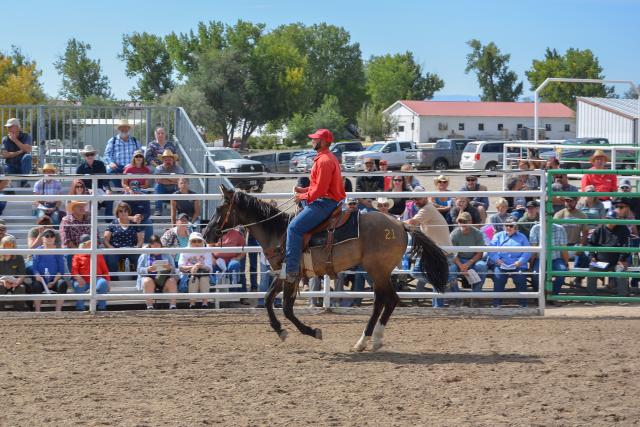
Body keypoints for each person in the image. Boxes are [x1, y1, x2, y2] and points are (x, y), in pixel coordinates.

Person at [284, 129, 346, 285]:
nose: (312, 141)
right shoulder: (326, 158)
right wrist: (304, 190)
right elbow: (317, 186)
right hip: (328, 201)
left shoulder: (324, 161)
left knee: (293, 228)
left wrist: (302, 196)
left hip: (325, 203)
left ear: (323, 142)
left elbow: (319, 191)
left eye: (315, 139)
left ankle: (291, 271)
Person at [404, 186, 455, 307]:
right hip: (436, 251)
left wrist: (395, 222)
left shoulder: (426, 209)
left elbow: (412, 223)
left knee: (418, 273)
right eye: (415, 199)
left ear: (425, 198)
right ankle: (443, 287)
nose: (416, 201)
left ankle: (439, 304)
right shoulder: (428, 208)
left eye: (418, 199)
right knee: (419, 273)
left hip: (440, 252)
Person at [587, 199, 631, 297]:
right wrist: (592, 257)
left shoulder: (623, 228)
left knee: (621, 271)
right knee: (592, 268)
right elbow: (590, 243)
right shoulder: (600, 229)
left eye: (613, 220)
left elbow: (626, 245)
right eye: (609, 219)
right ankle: (591, 297)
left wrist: (621, 259)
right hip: (600, 262)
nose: (610, 222)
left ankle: (622, 298)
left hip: (616, 262)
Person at [489, 216, 531, 308]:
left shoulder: (522, 237)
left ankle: (523, 304)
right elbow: (491, 250)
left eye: (511, 226)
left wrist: (520, 262)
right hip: (501, 264)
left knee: (520, 279)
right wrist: (497, 260)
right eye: (506, 225)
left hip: (518, 265)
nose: (508, 227)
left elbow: (527, 251)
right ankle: (496, 304)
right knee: (499, 279)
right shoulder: (498, 235)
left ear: (515, 228)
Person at [449, 212, 489, 302]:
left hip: (473, 260)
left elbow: (480, 253)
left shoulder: (477, 233)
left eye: (465, 221)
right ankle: (457, 297)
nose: (462, 223)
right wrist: (461, 265)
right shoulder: (454, 234)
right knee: (451, 269)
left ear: (470, 222)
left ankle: (475, 296)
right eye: (460, 221)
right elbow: (452, 254)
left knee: (482, 266)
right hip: (458, 260)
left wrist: (468, 263)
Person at [104, 202, 144, 281]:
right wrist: (110, 247)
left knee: (136, 257)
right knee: (112, 258)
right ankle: (114, 280)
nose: (123, 213)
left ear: (128, 212)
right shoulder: (113, 223)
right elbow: (105, 239)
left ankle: (135, 280)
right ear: (117, 213)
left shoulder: (134, 224)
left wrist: (137, 247)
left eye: (125, 211)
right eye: (121, 211)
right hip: (116, 250)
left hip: (131, 249)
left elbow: (141, 239)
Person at [137, 235, 178, 310]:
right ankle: (149, 306)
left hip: (164, 280)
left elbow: (174, 270)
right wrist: (148, 269)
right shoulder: (144, 255)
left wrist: (170, 268)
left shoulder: (167, 254)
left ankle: (173, 306)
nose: (156, 246)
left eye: (158, 244)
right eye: (153, 244)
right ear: (150, 245)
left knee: (172, 281)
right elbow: (139, 270)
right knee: (147, 281)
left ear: (161, 245)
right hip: (150, 280)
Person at [31, 229, 68, 312]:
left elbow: (61, 270)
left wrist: (53, 282)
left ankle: (58, 311)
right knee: (36, 286)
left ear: (55, 238)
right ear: (43, 238)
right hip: (41, 280)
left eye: (52, 236)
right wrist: (38, 276)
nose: (49, 238)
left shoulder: (58, 251)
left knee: (62, 284)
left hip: (54, 280)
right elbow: (35, 268)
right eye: (47, 236)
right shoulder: (37, 251)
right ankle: (37, 312)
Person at [554, 196, 590, 280]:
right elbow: (553, 232)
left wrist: (581, 245)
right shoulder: (559, 214)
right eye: (567, 201)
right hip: (561, 246)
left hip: (575, 244)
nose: (568, 203)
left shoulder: (582, 215)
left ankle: (578, 278)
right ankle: (562, 275)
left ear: (576, 202)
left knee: (586, 255)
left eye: (571, 201)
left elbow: (585, 233)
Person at [71, 234, 110, 311]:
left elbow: (105, 270)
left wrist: (107, 282)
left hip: (96, 279)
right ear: (83, 244)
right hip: (82, 279)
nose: (91, 244)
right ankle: (80, 308)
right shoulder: (77, 255)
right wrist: (78, 277)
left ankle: (102, 307)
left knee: (103, 283)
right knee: (79, 285)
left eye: (91, 242)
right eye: (89, 243)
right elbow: (74, 270)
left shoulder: (98, 254)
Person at [529, 223, 569, 297]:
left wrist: (566, 263)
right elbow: (533, 249)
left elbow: (564, 248)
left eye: (547, 214)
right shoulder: (535, 228)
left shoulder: (560, 228)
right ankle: (540, 296)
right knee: (535, 274)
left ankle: (553, 295)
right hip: (540, 259)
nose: (546, 217)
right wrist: (532, 263)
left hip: (556, 258)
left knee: (562, 272)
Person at [178, 232, 214, 308]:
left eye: (199, 241)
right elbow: (180, 267)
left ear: (202, 242)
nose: (197, 243)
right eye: (194, 241)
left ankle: (205, 303)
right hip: (188, 275)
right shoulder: (184, 250)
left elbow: (209, 268)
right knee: (193, 278)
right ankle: (192, 303)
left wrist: (199, 266)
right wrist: (193, 267)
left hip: (203, 273)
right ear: (190, 242)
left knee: (204, 278)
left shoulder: (207, 250)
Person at [76, 144, 113, 216]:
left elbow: (105, 179)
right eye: (87, 154)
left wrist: (108, 189)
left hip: (100, 190)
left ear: (94, 155)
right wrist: (87, 190)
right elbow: (78, 183)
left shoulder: (101, 164)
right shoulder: (80, 168)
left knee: (110, 199)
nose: (90, 156)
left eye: (91, 154)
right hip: (86, 192)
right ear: (84, 156)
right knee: (89, 200)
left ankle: (108, 221)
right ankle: (89, 221)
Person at [104, 119, 141, 188]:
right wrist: (111, 162)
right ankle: (117, 192)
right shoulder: (113, 140)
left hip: (131, 167)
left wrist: (135, 162)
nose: (124, 129)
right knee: (110, 172)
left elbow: (140, 154)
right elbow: (107, 154)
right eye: (122, 128)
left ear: (129, 129)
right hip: (116, 167)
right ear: (118, 129)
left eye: (126, 127)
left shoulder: (135, 140)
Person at [211, 227, 246, 293]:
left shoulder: (237, 234)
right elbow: (208, 246)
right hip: (217, 261)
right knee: (211, 266)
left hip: (231, 260)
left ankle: (233, 294)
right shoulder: (214, 233)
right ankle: (214, 294)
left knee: (235, 265)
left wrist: (238, 258)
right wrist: (212, 258)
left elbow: (244, 249)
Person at [59, 201, 91, 270]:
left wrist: (87, 249)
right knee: (68, 254)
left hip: (88, 248)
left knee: (99, 252)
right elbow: (66, 240)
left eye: (83, 206)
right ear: (73, 209)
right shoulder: (66, 221)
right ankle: (72, 278)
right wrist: (78, 251)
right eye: (79, 206)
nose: (82, 208)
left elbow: (96, 236)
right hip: (73, 249)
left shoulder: (89, 219)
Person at [0, 235, 29, 311]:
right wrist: (3, 281)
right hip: (2, 282)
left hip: (15, 281)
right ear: (2, 246)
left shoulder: (19, 257)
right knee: (0, 287)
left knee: (21, 288)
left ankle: (18, 312)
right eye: (7, 245)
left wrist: (17, 282)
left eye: (11, 245)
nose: (9, 247)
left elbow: (22, 274)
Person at [2, 118, 32, 186]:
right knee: (4, 167)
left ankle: (24, 183)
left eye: (10, 127)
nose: (8, 129)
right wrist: (20, 151)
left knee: (27, 156)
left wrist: (15, 140)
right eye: (7, 127)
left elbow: (28, 150)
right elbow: (5, 155)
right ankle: (8, 185)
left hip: (22, 167)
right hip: (10, 166)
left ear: (18, 127)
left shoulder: (26, 136)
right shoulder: (5, 139)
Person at [153, 149, 184, 216]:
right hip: (163, 189)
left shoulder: (179, 168)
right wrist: (173, 180)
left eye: (169, 159)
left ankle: (180, 210)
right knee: (157, 186)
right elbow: (157, 180)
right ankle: (158, 210)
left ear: (173, 160)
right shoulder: (159, 168)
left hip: (174, 188)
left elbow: (180, 180)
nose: (167, 161)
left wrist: (165, 177)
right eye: (166, 160)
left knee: (180, 187)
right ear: (163, 160)